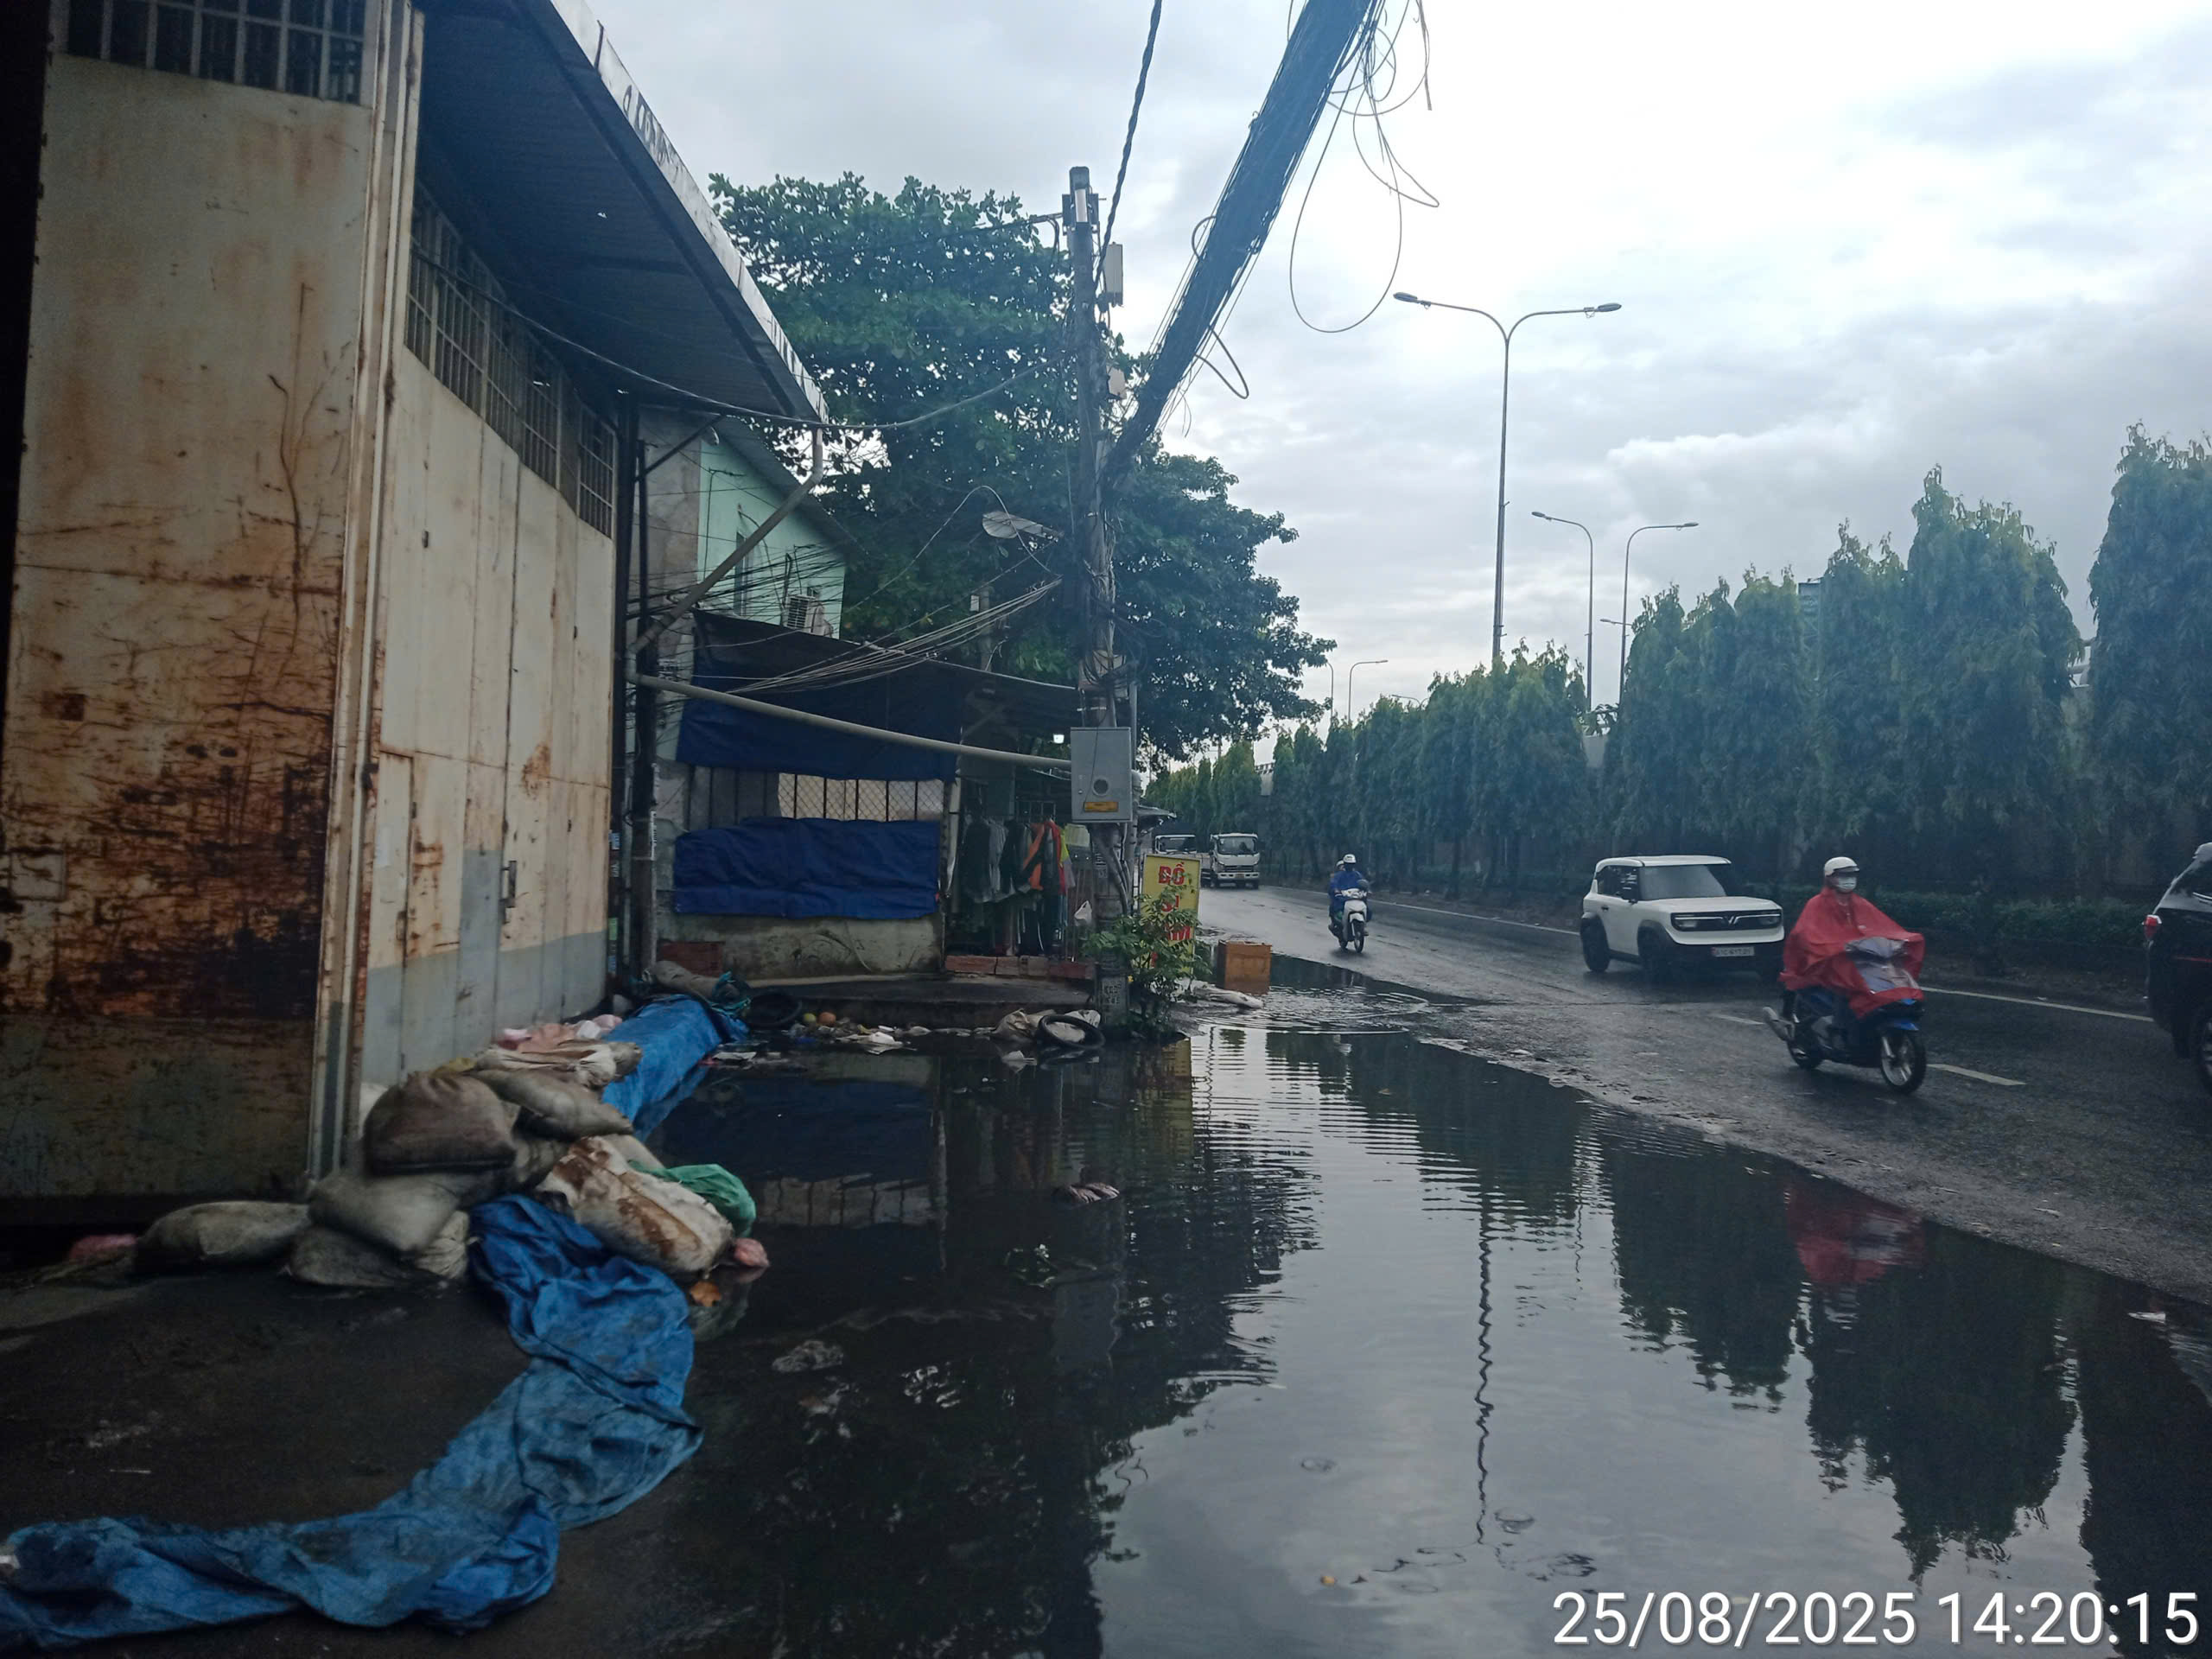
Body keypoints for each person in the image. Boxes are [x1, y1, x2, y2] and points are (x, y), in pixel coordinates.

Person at [1779, 856, 1923, 1038]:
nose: (1849, 879)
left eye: (1852, 875)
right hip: (1829, 958)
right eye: (1843, 875)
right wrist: (1832, 946)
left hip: (1856, 955)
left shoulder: (1860, 903)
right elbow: (1806, 933)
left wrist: (1899, 941)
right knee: (1847, 981)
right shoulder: (1816, 904)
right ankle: (1839, 1028)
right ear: (1830, 878)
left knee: (1887, 973)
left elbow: (1880, 926)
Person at [1328, 854, 1369, 928]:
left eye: (1351, 864)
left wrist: (1367, 890)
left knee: (1368, 909)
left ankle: (1363, 925)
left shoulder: (1357, 875)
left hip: (1355, 896)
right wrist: (1335, 890)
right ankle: (1336, 923)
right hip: (1343, 897)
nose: (1349, 866)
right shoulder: (1339, 875)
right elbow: (1333, 883)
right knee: (1335, 907)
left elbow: (1363, 883)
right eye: (1348, 864)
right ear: (1345, 864)